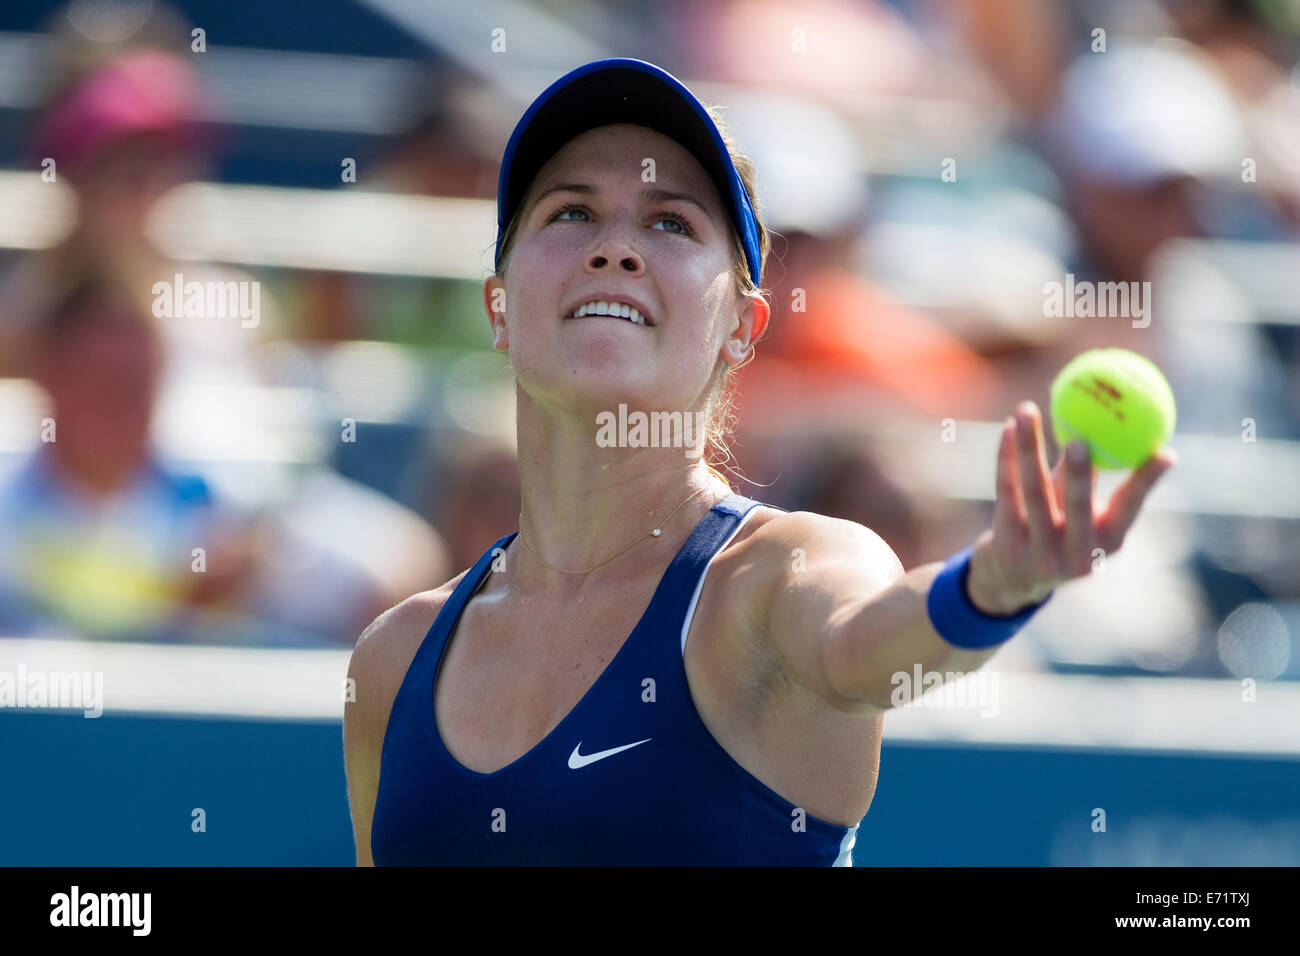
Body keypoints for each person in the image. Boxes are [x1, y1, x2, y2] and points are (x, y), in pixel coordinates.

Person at [343, 58, 1176, 866]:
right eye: (571, 213)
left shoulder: (785, 573)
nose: (616, 248)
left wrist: (988, 591)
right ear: (498, 306)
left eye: (671, 221)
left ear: (744, 325)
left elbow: (866, 643)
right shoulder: (395, 657)